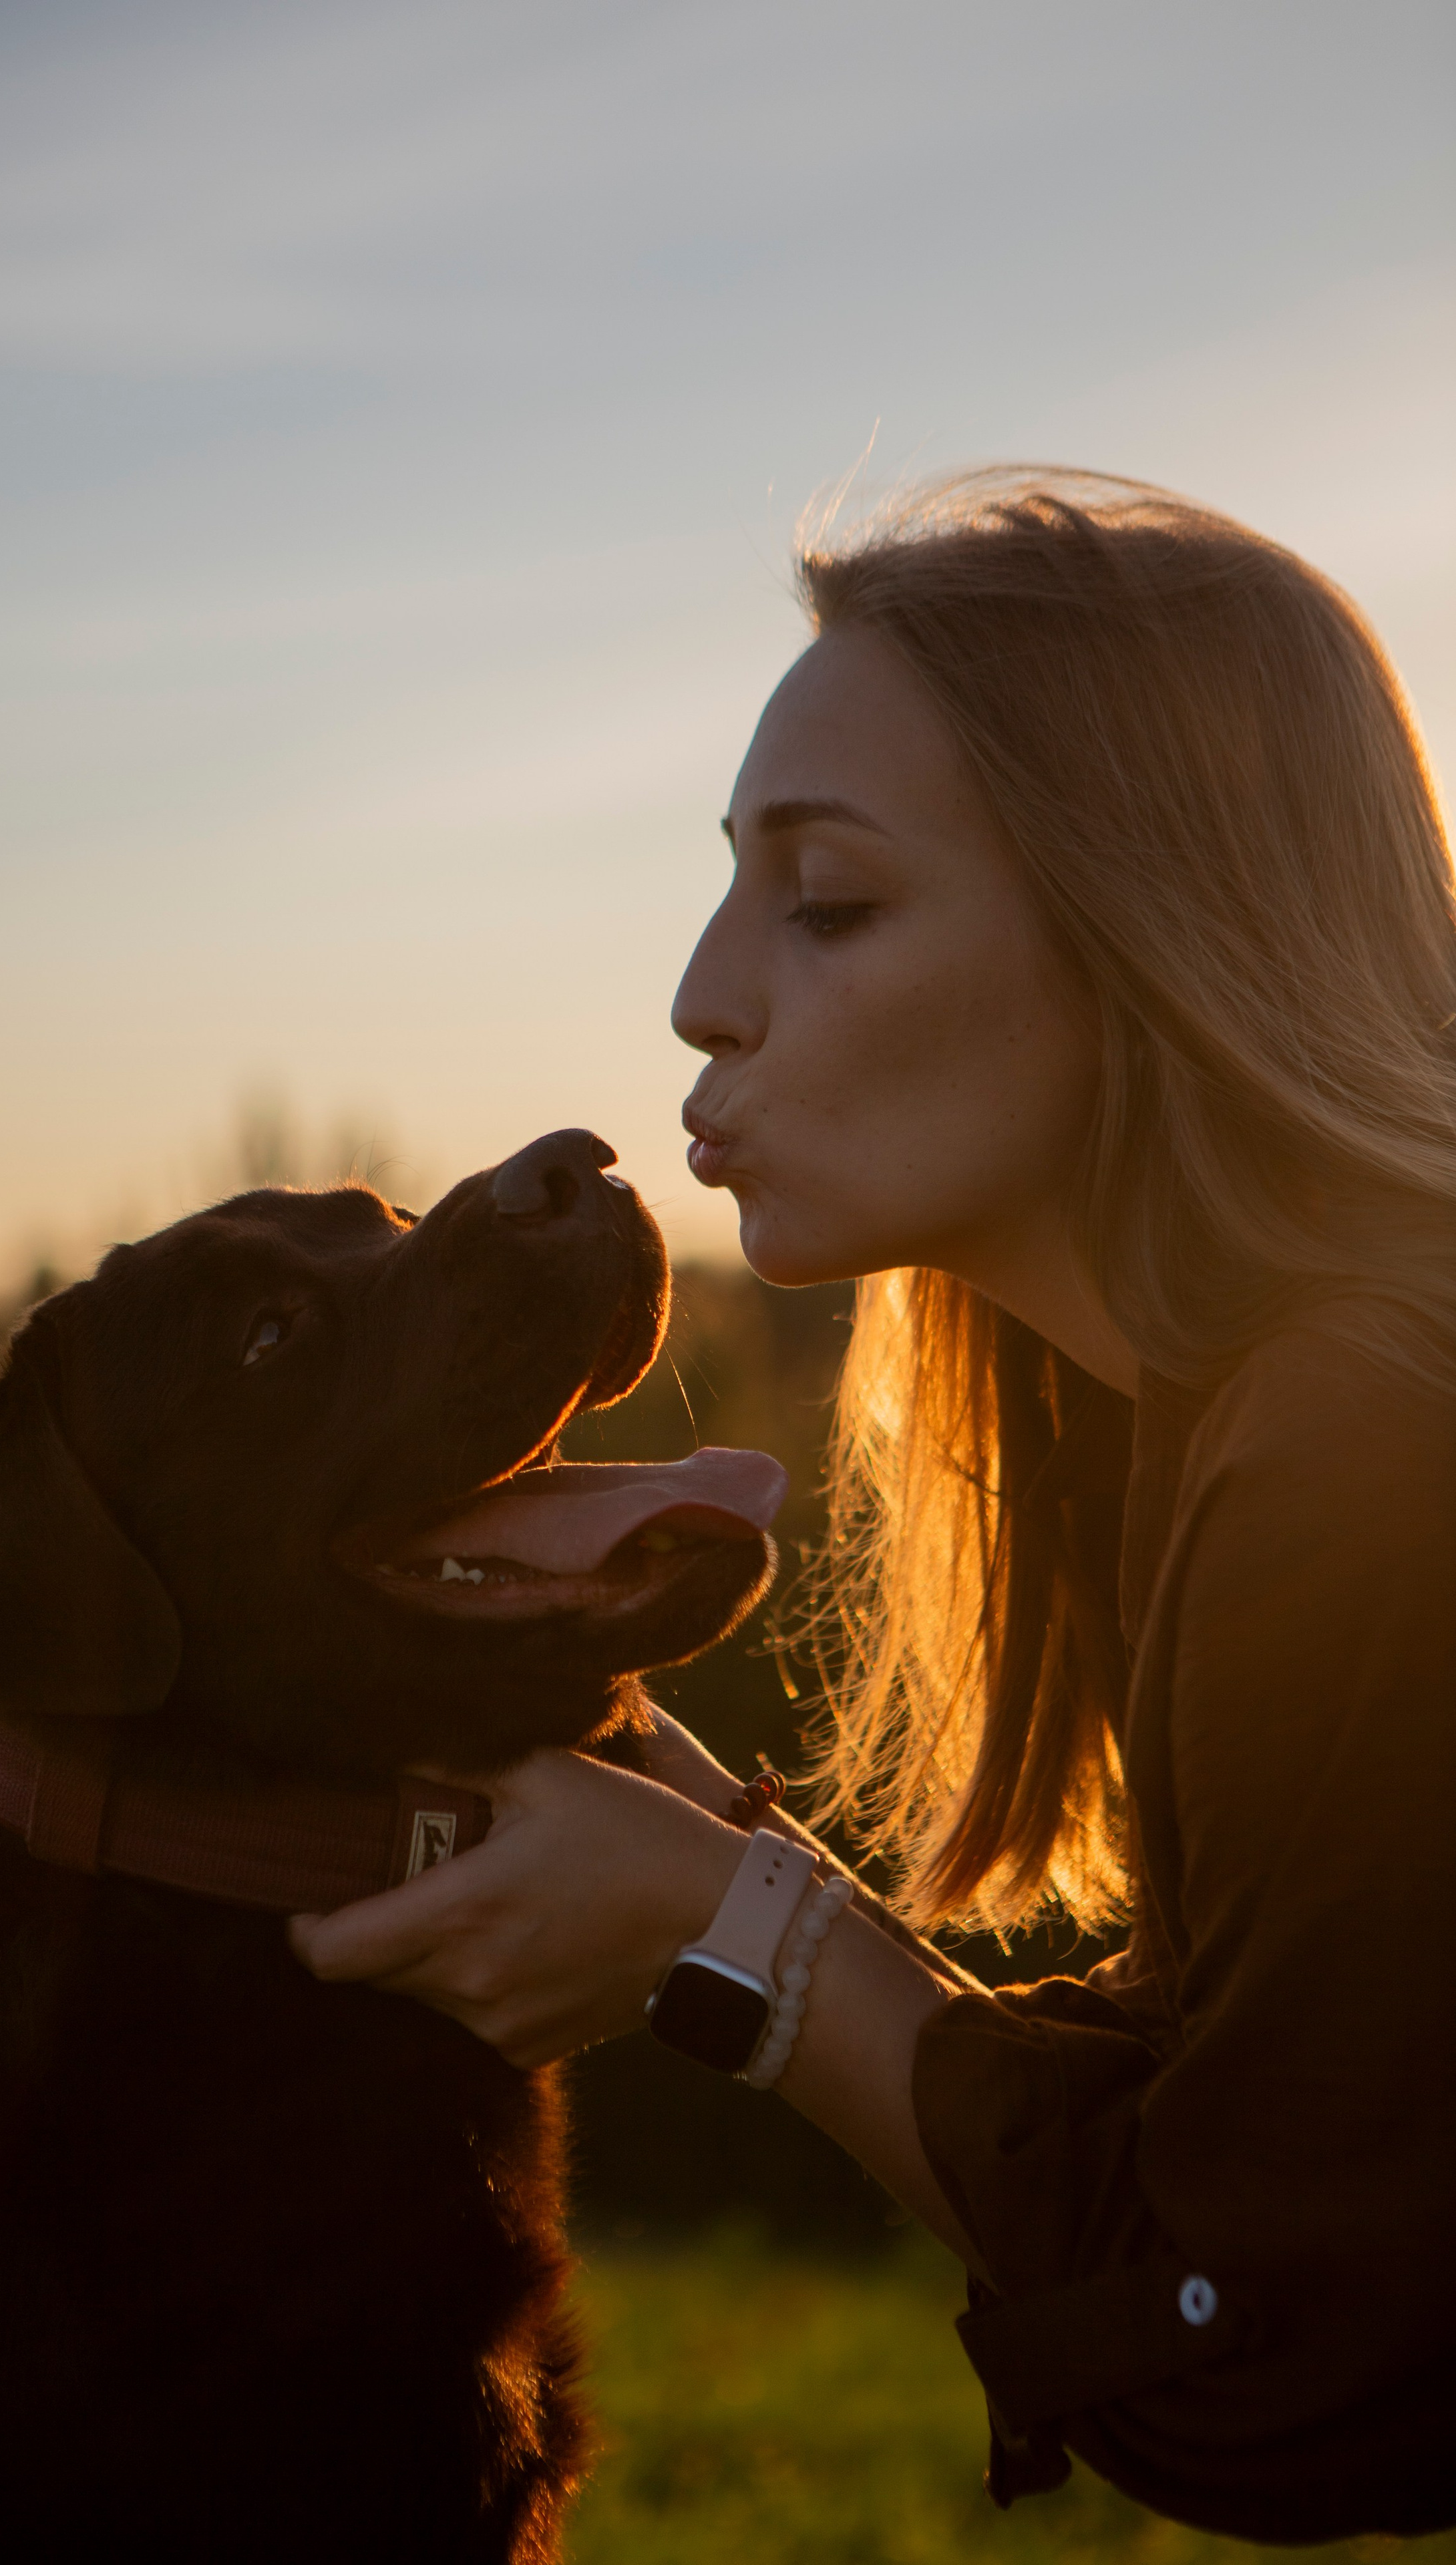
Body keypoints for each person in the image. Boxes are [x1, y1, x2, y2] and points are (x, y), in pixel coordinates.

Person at [288, 473, 1456, 2542]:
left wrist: (732, 1933)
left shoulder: (1363, 1456)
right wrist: (715, 1858)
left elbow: (1281, 2354)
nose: (704, 994)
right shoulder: (1239, 1410)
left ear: (1150, 929)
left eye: (826, 902)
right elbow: (1284, 2109)